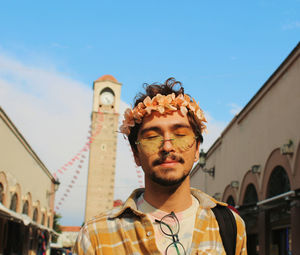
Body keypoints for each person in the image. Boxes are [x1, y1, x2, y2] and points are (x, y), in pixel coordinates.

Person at [73, 78, 247, 254]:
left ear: (196, 150)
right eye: (151, 138)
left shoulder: (231, 226)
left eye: (180, 135)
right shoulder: (95, 236)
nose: (167, 146)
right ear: (135, 153)